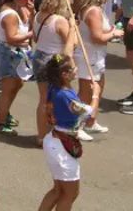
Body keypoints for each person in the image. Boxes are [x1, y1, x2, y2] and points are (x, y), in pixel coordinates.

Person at [37, 55, 92, 211]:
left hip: (54, 142)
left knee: (58, 191)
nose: (76, 70)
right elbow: (89, 115)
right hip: (62, 147)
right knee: (70, 194)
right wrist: (94, 94)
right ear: (64, 74)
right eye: (73, 68)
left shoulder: (55, 88)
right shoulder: (65, 95)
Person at [72, 0, 120, 140]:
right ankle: (75, 126)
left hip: (97, 56)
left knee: (99, 86)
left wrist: (110, 30)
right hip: (89, 56)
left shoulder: (94, 9)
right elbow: (97, 37)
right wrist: (114, 33)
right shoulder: (93, 11)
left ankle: (91, 121)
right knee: (86, 93)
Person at [32, 0, 75, 143]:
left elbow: (35, 38)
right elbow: (71, 45)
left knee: (43, 98)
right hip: (53, 61)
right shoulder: (60, 21)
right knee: (56, 97)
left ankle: (41, 135)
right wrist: (72, 29)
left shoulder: (38, 16)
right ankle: (53, 132)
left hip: (38, 57)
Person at [0, 0, 34, 134]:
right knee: (8, 89)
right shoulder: (10, 15)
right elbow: (11, 37)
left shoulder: (19, 8)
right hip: (8, 53)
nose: (29, 0)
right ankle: (0, 123)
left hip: (16, 53)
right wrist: (31, 34)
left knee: (17, 85)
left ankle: (4, 112)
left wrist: (32, 12)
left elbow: (28, 24)